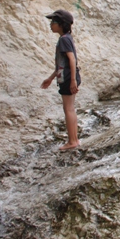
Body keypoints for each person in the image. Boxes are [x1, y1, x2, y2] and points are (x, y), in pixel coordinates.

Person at [41, 10, 82, 151]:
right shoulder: (67, 38)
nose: (51, 25)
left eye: (53, 22)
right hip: (68, 76)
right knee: (70, 108)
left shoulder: (64, 39)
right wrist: (51, 78)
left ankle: (72, 141)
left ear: (61, 24)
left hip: (68, 78)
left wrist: (72, 81)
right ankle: (74, 139)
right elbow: (63, 63)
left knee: (68, 109)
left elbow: (71, 59)